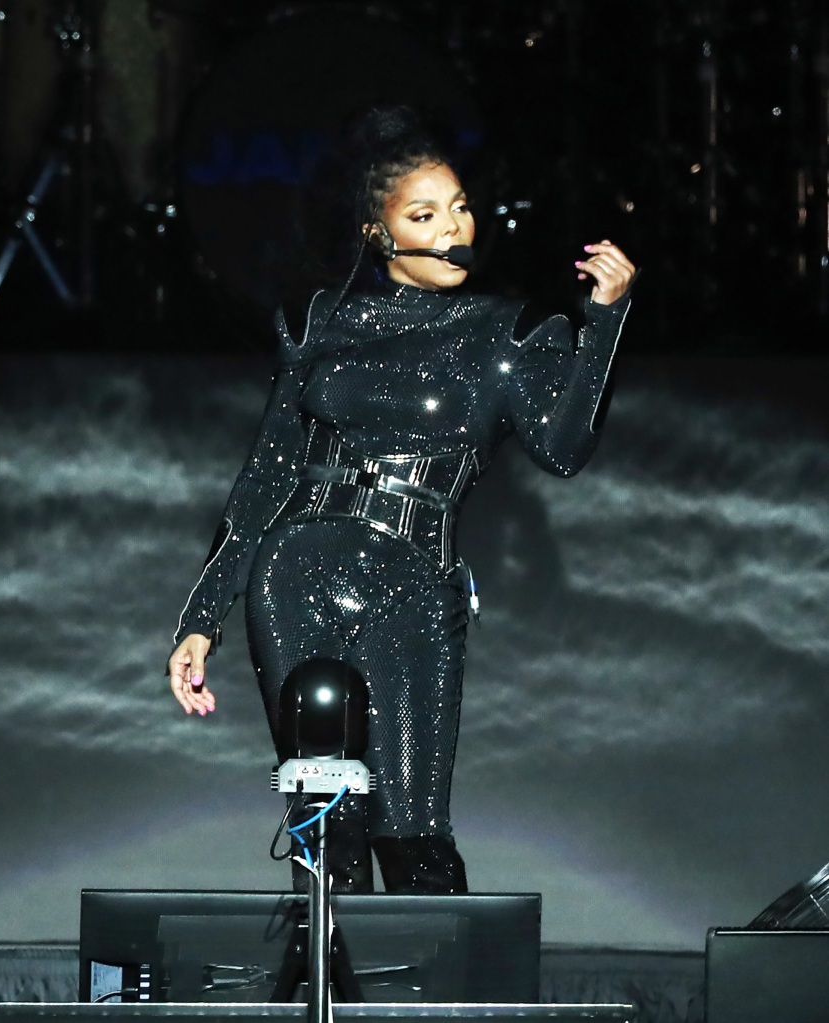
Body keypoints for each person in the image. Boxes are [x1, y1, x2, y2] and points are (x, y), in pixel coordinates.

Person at [167, 106, 636, 894]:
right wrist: (200, 617)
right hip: (298, 576)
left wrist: (605, 323)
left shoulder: (504, 331)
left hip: (416, 586)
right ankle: (328, 1003)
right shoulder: (323, 321)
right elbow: (268, 474)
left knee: (416, 834)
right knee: (326, 824)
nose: (453, 228)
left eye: (459, 207)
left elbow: (564, 449)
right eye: (424, 214)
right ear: (377, 233)